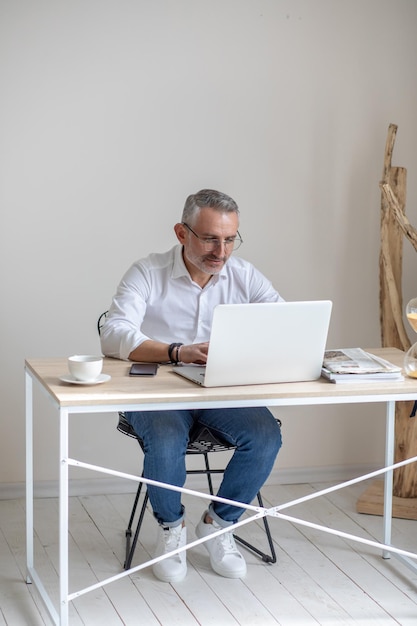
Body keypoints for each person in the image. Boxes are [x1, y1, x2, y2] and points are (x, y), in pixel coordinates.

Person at [100, 189, 283, 583]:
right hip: (158, 392)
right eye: (210, 238)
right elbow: (113, 334)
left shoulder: (244, 275)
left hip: (222, 391)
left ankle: (218, 523)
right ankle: (171, 529)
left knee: (266, 436)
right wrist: (177, 352)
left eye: (230, 239)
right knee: (165, 441)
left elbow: (284, 322)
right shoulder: (147, 272)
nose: (221, 251)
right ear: (182, 233)